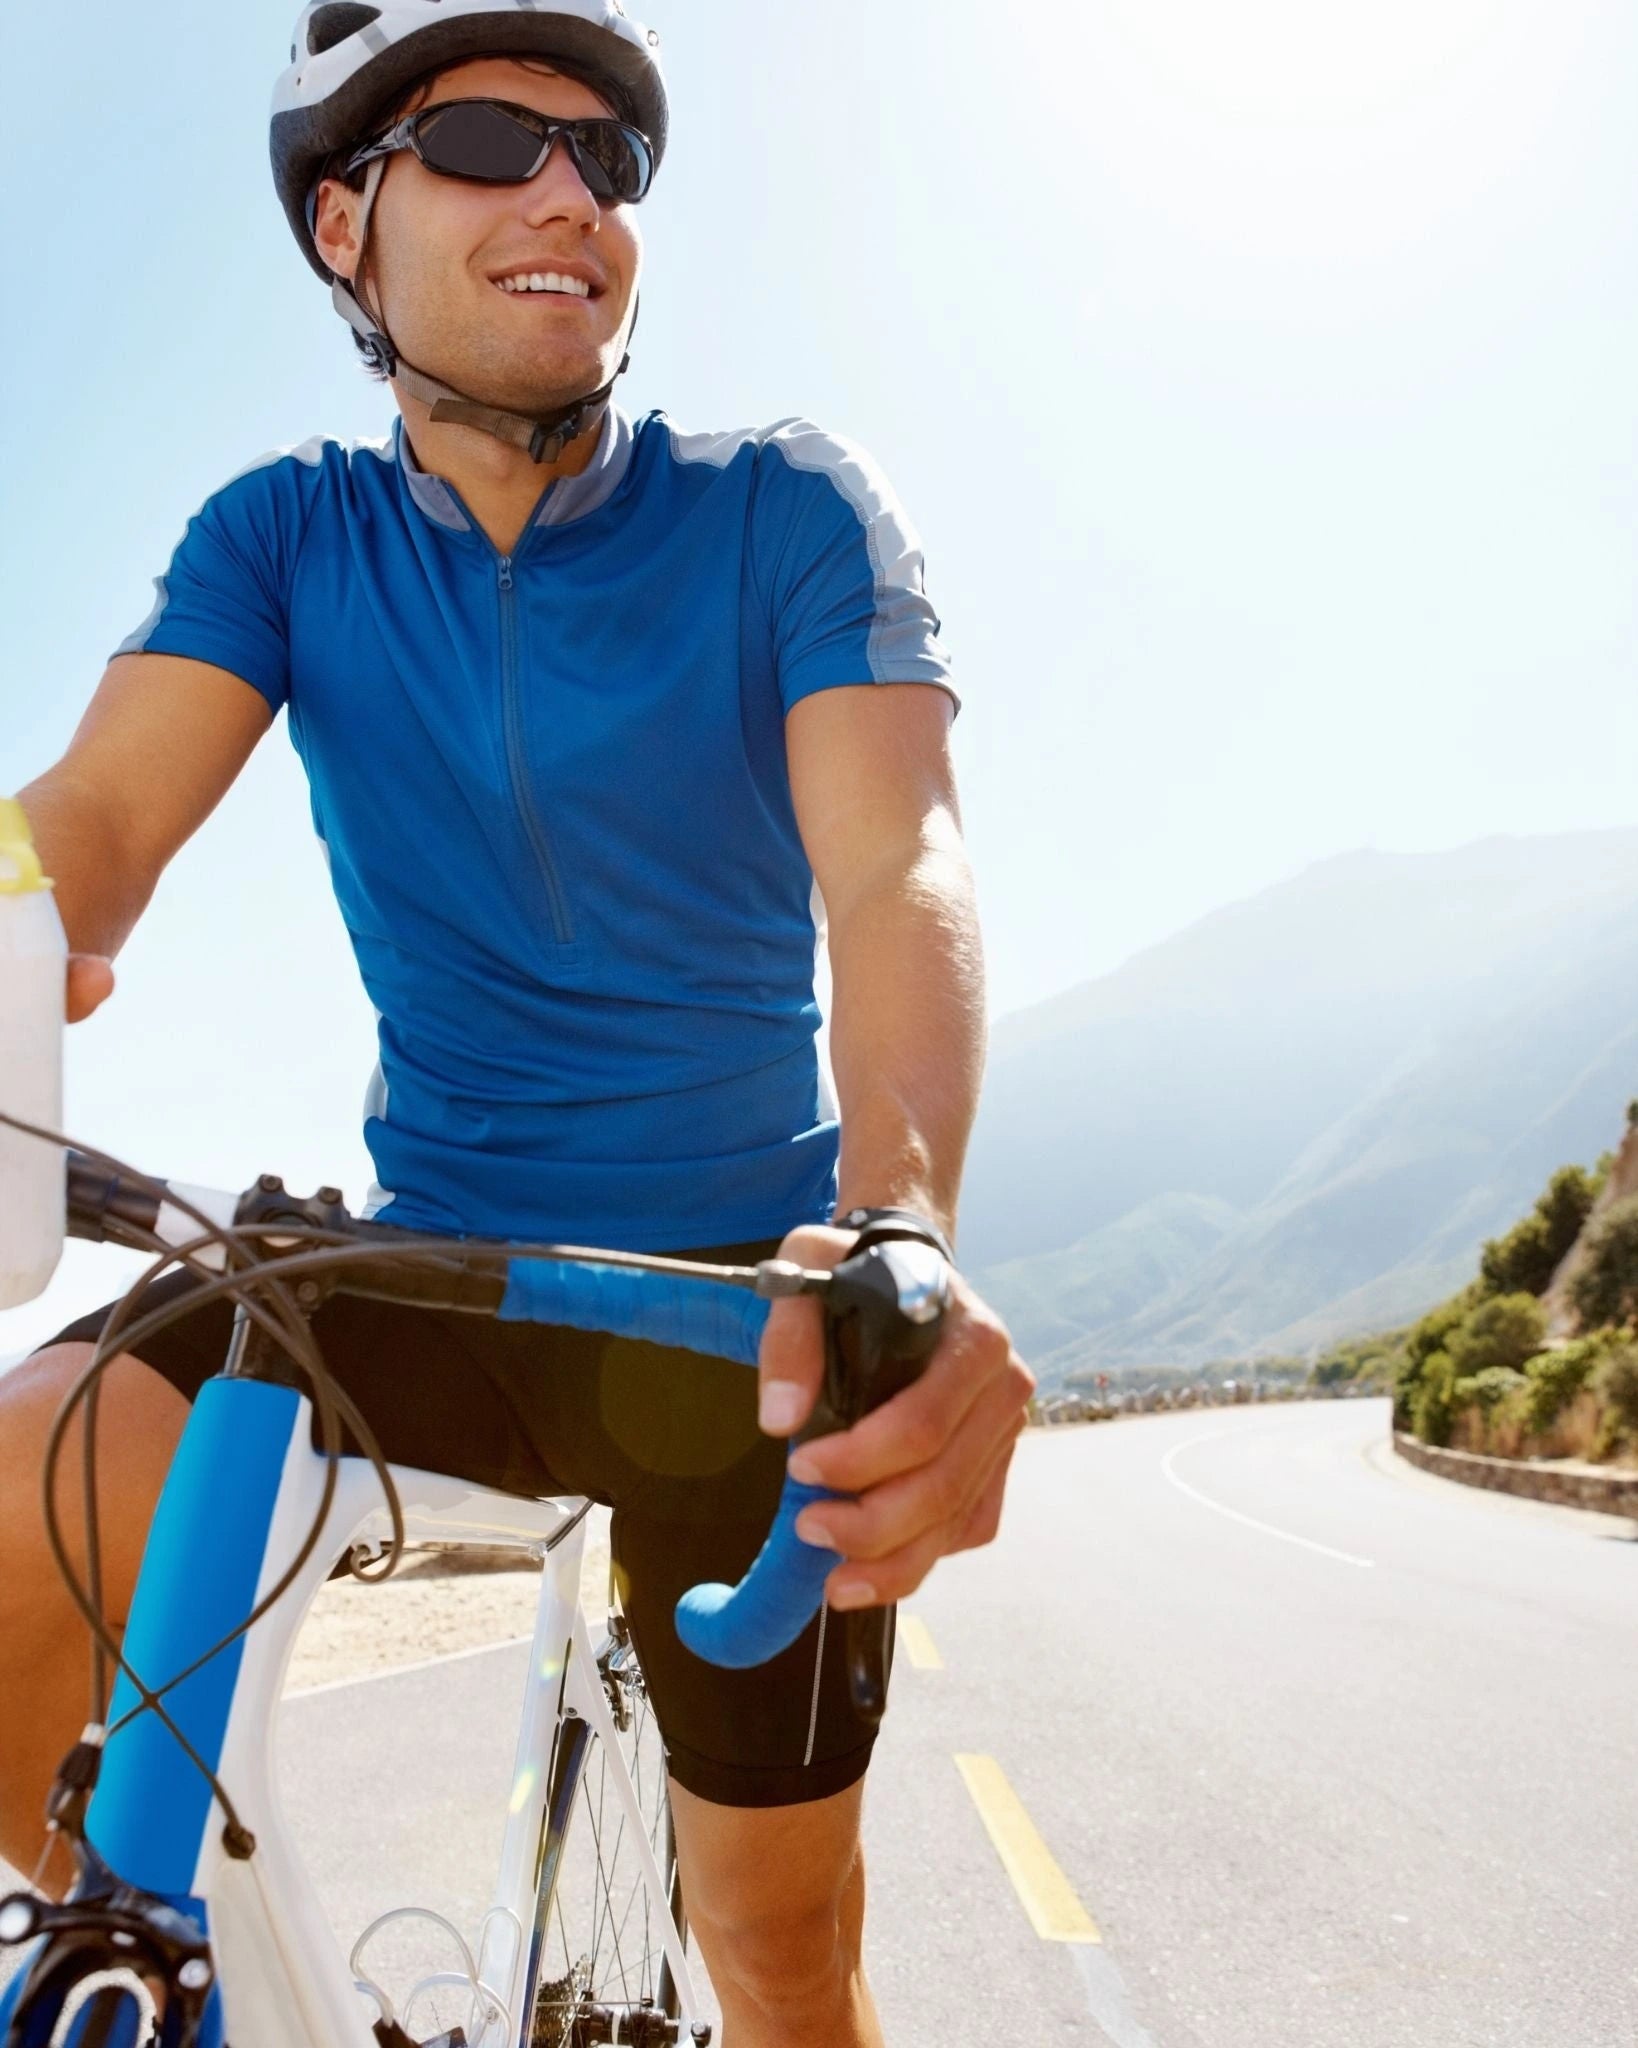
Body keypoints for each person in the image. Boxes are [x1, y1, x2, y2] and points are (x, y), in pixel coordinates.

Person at [0, 5, 1033, 2042]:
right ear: (340, 223)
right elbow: (90, 824)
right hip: (422, 1272)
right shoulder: (284, 537)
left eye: (610, 161)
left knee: (783, 1951)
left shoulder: (785, 508)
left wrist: (903, 1224)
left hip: (740, 1307)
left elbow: (896, 864)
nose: (574, 194)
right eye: (489, 140)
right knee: (16, 1494)